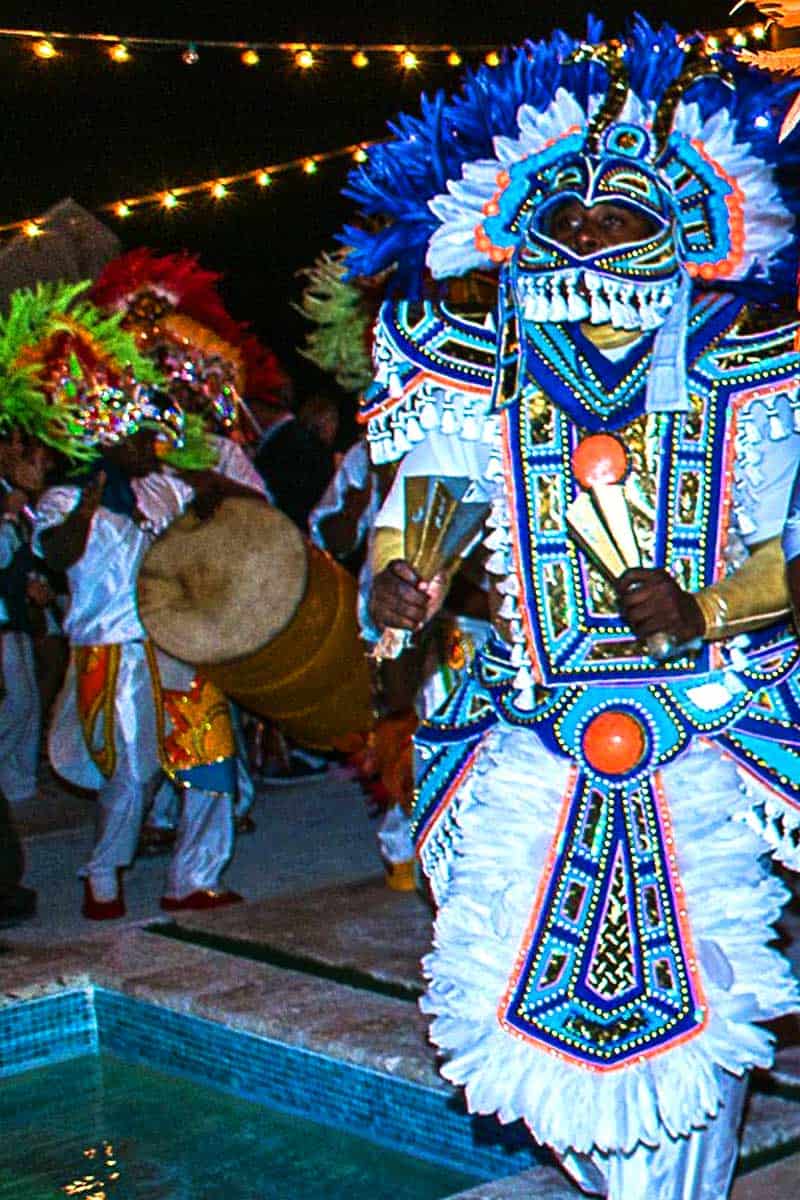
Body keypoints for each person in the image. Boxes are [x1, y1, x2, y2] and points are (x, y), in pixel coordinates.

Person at [349, 19, 800, 1199]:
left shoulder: (750, 375)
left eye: (620, 215)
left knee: (696, 1024)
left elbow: (787, 555)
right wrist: (399, 589)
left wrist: (700, 607)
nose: (591, 235)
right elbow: (416, 525)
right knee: (531, 1034)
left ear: (687, 228)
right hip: (530, 743)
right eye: (569, 215)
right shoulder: (463, 370)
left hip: (693, 740)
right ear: (519, 227)